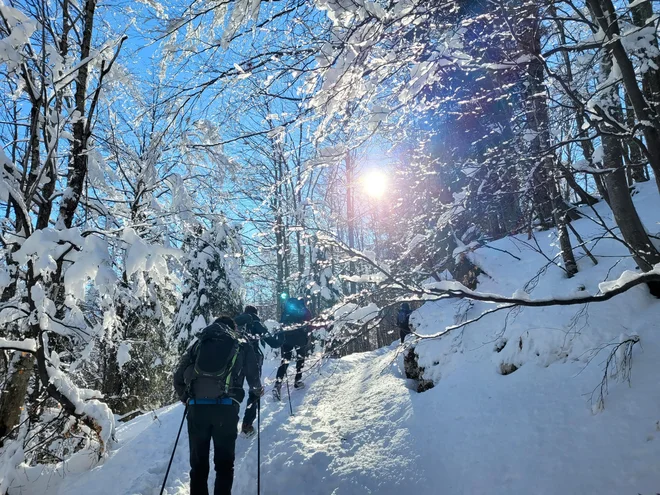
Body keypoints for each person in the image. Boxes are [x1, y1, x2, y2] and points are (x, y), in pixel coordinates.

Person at [173, 316, 263, 495]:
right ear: (233, 328)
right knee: (224, 466)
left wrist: (186, 397)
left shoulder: (199, 344)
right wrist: (257, 390)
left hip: (197, 409)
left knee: (198, 467)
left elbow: (178, 376)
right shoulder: (240, 344)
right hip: (226, 410)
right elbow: (253, 375)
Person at [233, 305, 273, 437]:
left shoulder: (236, 322)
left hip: (236, 360)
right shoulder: (255, 322)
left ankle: (230, 423)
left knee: (234, 390)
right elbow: (271, 340)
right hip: (253, 360)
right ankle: (247, 425)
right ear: (256, 313)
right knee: (254, 391)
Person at [273, 297, 312, 400]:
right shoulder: (304, 310)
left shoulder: (286, 311)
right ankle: (298, 381)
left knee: (285, 361)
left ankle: (278, 383)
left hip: (286, 339)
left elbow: (281, 324)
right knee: (300, 358)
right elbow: (309, 325)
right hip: (300, 339)